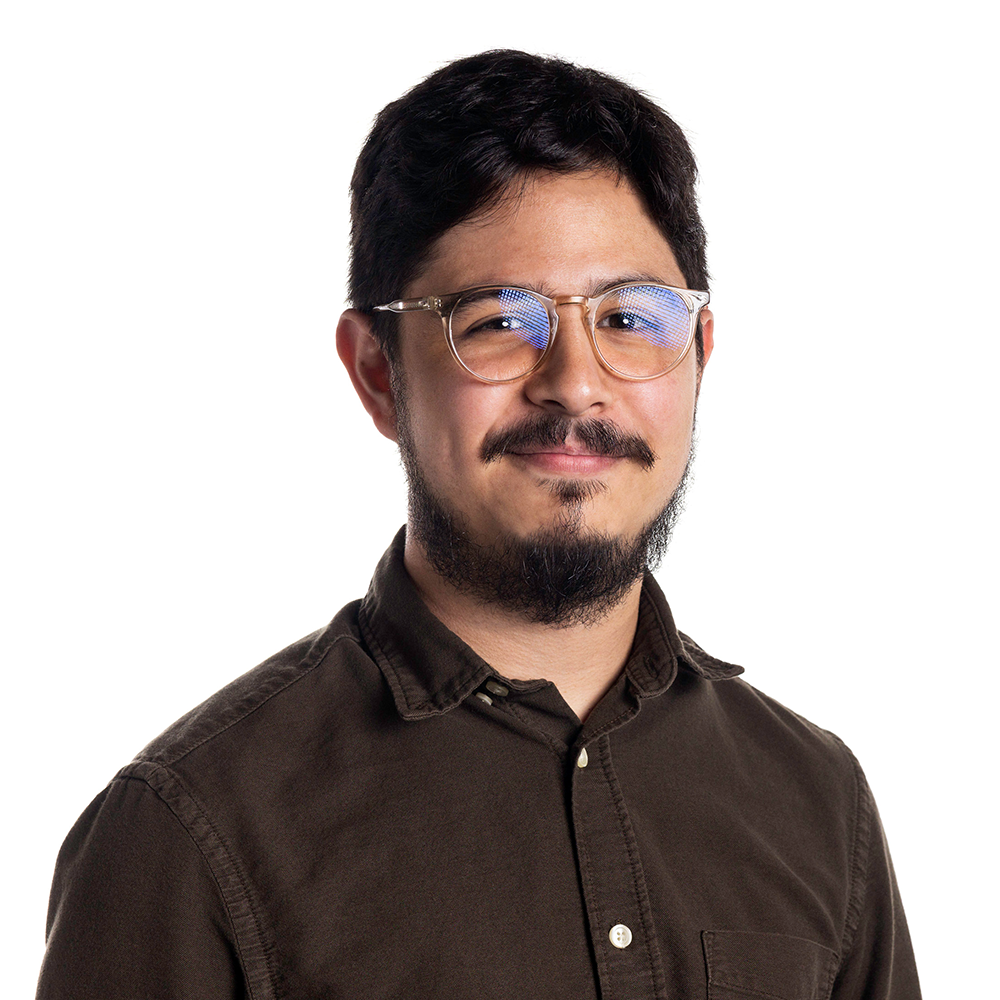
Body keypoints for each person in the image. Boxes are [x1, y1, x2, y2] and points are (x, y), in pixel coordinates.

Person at [37, 50, 920, 999]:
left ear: (699, 354)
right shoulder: (188, 834)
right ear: (378, 372)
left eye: (629, 319)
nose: (575, 383)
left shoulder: (817, 801)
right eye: (498, 320)